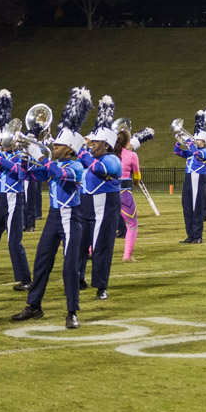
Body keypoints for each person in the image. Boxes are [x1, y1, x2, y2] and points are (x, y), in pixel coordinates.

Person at [11, 120, 87, 328]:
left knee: (70, 266)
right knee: (41, 261)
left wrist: (40, 156)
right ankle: (34, 306)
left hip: (71, 217)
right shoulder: (56, 164)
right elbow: (25, 175)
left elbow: (60, 174)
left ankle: (72, 311)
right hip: (55, 217)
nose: (54, 147)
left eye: (58, 145)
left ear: (70, 149)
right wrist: (26, 158)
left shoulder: (76, 166)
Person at [0, 91, 32, 291]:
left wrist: (2, 160)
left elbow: (20, 173)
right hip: (1, 199)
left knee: (14, 242)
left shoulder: (21, 154)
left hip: (15, 199)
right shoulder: (0, 154)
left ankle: (25, 279)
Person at [76, 101, 123, 299]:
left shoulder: (112, 159)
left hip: (105, 208)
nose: (91, 144)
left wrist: (82, 152)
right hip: (85, 206)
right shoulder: (89, 157)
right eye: (91, 141)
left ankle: (101, 286)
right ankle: (78, 278)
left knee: (101, 248)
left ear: (106, 145)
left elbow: (102, 170)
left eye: (95, 142)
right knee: (78, 246)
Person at [174, 111, 206, 243]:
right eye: (195, 138)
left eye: (198, 139)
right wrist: (178, 142)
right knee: (186, 207)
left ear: (204, 141)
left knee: (196, 208)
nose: (195, 140)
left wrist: (189, 142)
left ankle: (197, 236)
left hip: (199, 179)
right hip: (189, 179)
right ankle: (190, 235)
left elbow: (198, 153)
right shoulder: (191, 152)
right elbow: (177, 152)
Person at [116, 127, 153, 262]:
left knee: (102, 224)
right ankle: (127, 255)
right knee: (131, 224)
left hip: (109, 193)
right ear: (128, 141)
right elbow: (137, 178)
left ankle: (90, 250)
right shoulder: (132, 155)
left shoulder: (111, 154)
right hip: (125, 194)